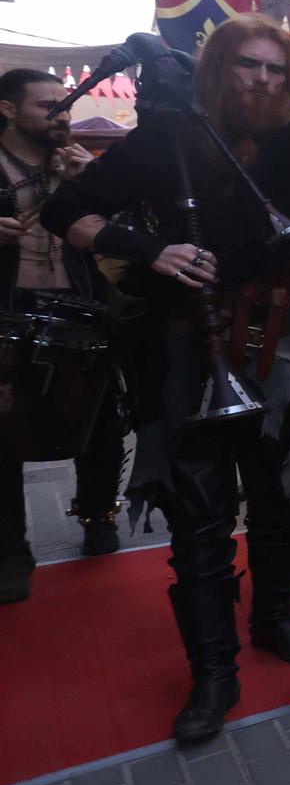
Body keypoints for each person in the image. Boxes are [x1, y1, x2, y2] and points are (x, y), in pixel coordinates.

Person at [42, 16, 290, 743]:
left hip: (280, 348)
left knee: (281, 501)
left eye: (276, 69)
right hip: (185, 350)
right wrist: (148, 247)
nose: (262, 80)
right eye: (248, 65)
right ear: (220, 68)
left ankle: (275, 617)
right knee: (200, 516)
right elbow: (66, 209)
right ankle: (212, 670)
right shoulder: (166, 137)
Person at [0, 70, 124, 602]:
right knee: (2, 436)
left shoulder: (78, 168)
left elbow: (120, 232)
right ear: (8, 110)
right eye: (49, 105)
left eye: (66, 104)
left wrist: (93, 186)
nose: (62, 114)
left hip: (80, 303)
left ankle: (98, 515)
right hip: (9, 309)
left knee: (100, 420)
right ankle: (9, 552)